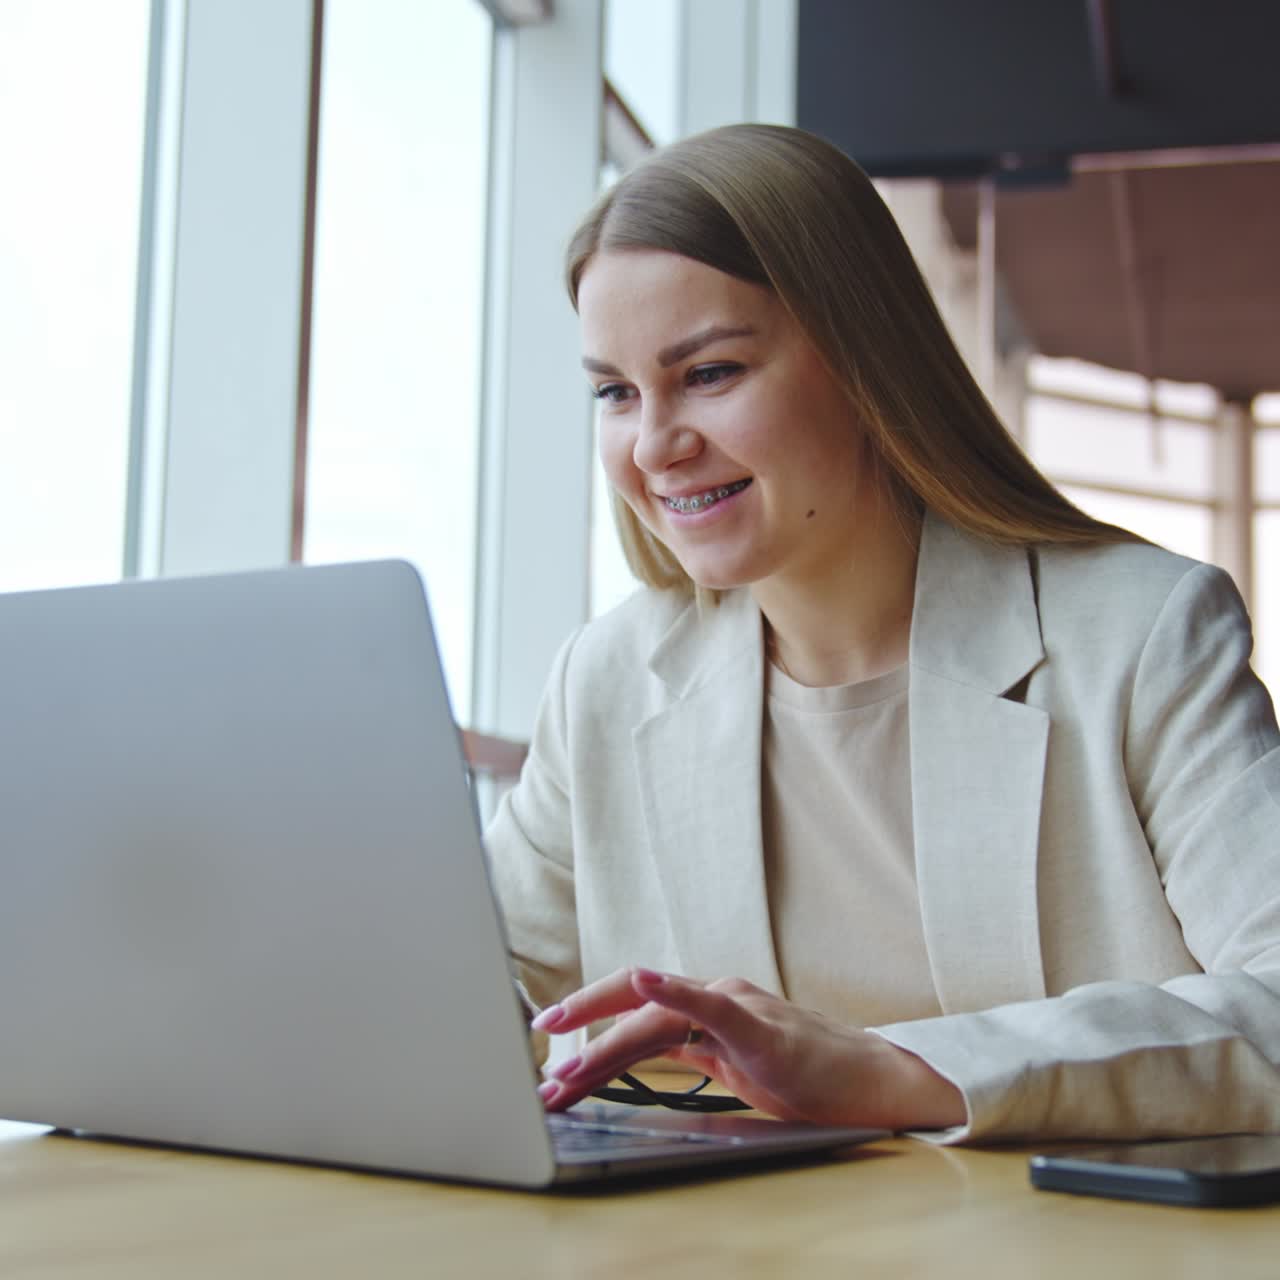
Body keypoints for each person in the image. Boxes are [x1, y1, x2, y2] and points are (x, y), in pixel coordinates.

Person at [484, 123, 1280, 1141]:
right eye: (615, 391)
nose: (653, 444)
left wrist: (892, 1066)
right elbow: (476, 971)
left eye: (711, 372)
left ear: (863, 360)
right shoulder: (607, 679)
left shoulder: (1136, 635)